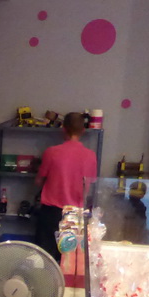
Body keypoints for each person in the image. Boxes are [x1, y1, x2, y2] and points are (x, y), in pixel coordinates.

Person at [34, 112, 98, 263]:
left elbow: (38, 181)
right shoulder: (90, 156)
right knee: (71, 264)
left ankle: (47, 287)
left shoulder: (51, 153)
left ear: (63, 129)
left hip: (51, 214)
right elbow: (89, 186)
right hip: (76, 217)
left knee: (45, 261)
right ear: (83, 130)